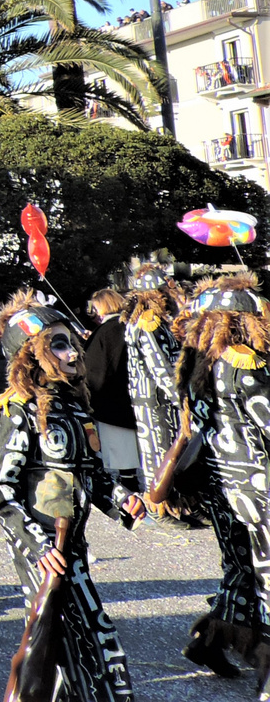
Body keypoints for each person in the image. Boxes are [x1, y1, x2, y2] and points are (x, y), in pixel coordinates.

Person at [0, 290, 146, 702]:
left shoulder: (75, 408)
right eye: (59, 343)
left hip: (73, 542)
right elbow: (0, 489)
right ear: (31, 354)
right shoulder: (18, 410)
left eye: (71, 340)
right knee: (87, 633)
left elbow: (92, 474)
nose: (73, 351)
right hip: (42, 549)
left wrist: (122, 501)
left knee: (67, 644)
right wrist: (37, 546)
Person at [171, 275, 270, 688]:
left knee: (239, 566)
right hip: (256, 484)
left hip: (219, 483)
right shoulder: (244, 363)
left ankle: (214, 640)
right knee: (258, 572)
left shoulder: (198, 360)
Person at [121, 265, 184, 507]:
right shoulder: (149, 322)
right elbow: (160, 365)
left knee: (165, 449)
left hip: (157, 397)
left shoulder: (153, 320)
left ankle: (171, 501)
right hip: (155, 398)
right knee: (160, 450)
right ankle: (163, 505)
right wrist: (182, 398)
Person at [82, 289, 140, 490]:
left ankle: (129, 486)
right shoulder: (130, 325)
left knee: (120, 449)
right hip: (132, 393)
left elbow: (96, 366)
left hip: (111, 397)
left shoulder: (107, 330)